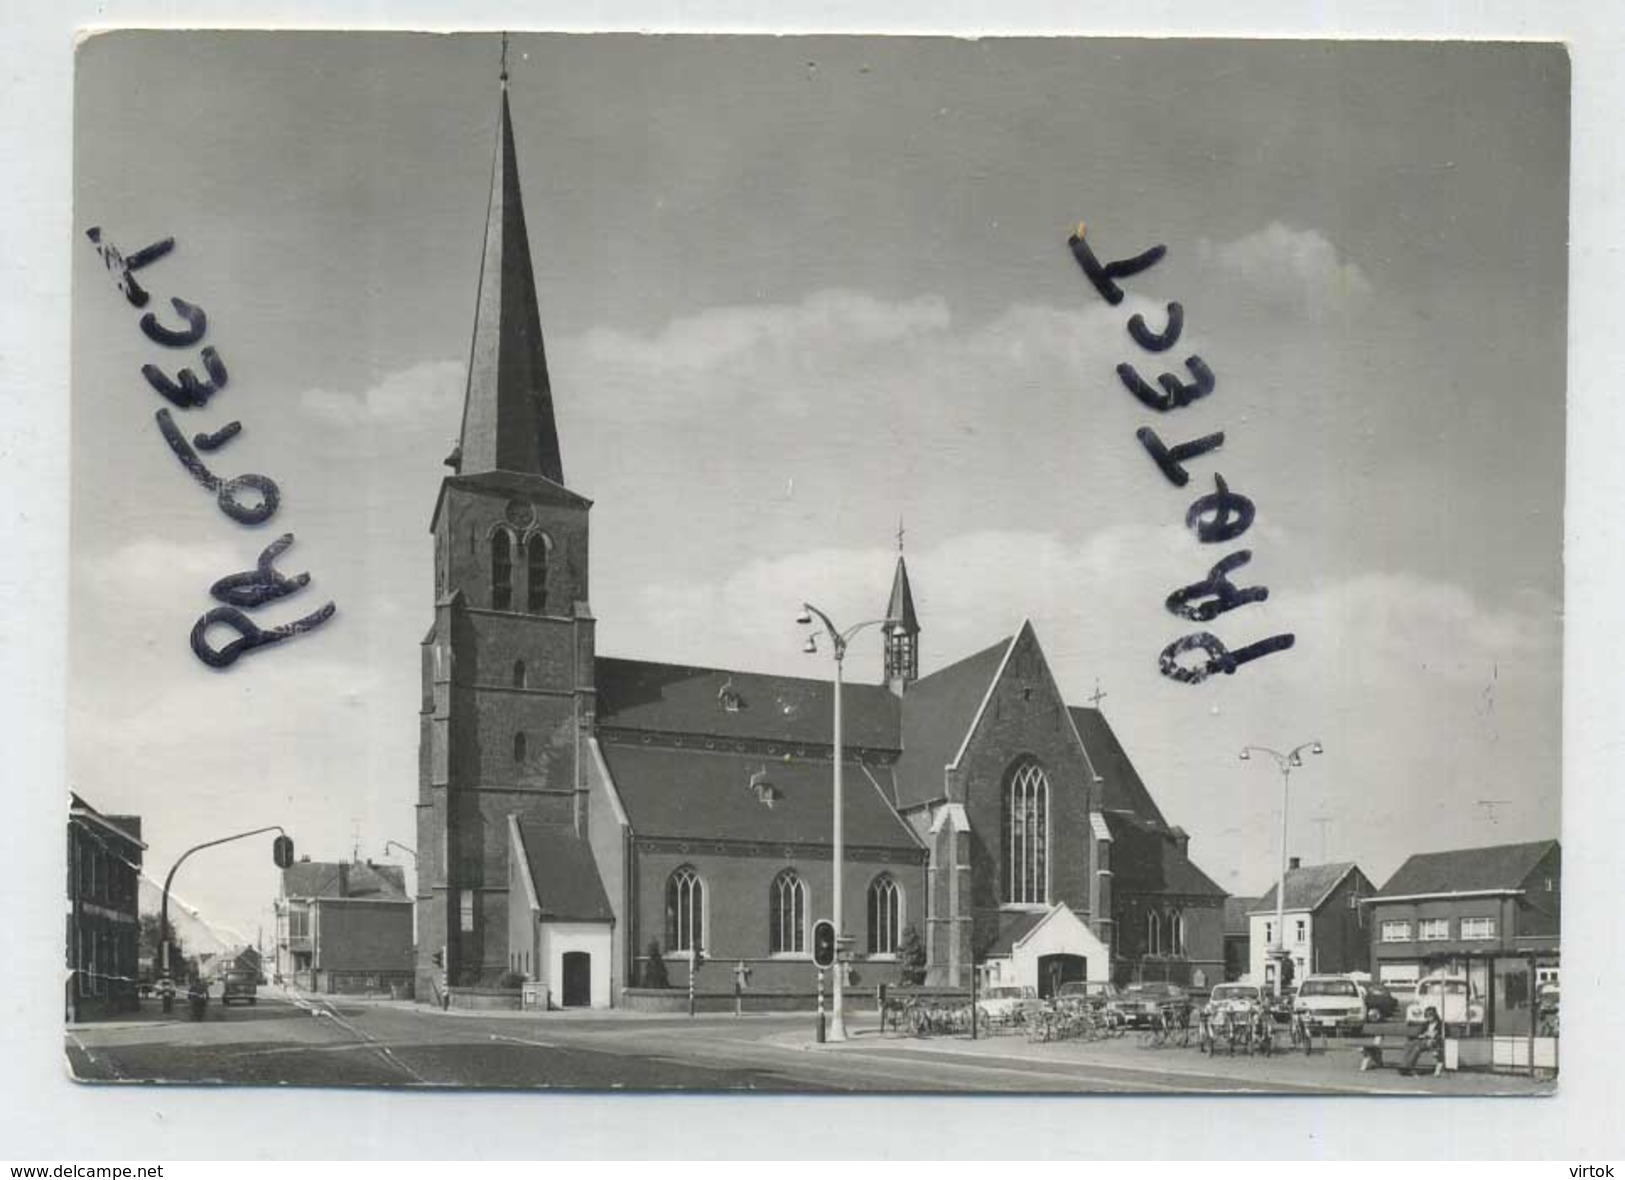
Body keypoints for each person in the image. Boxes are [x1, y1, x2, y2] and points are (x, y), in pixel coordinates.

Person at [1399, 1006, 1443, 1076]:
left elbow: (1442, 1035)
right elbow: (1420, 1034)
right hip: (1423, 1041)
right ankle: (1404, 1066)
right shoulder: (1426, 1024)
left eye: (1430, 1015)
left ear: (1435, 1015)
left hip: (1433, 1042)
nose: (1429, 1017)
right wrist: (1423, 1035)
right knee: (1409, 1044)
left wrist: (1433, 1035)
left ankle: (1408, 1067)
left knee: (1417, 1047)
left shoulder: (1441, 1024)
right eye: (1427, 1016)